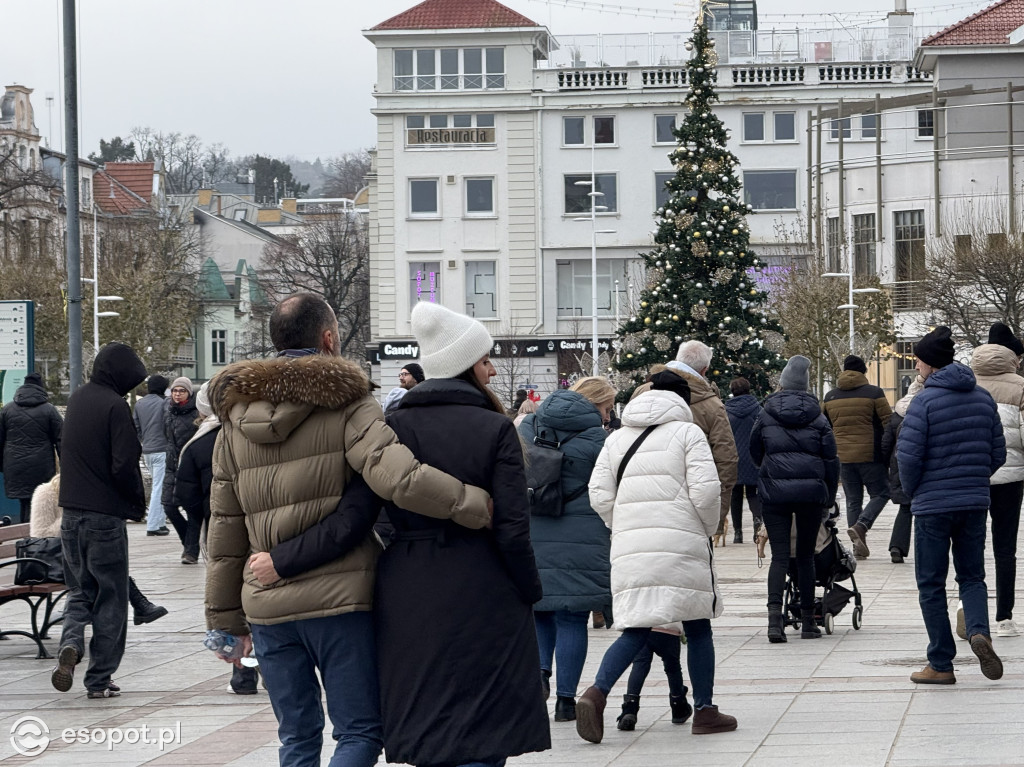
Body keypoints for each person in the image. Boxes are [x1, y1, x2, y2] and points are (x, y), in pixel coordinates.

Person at [205, 293, 493, 767]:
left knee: (296, 738)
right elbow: (400, 477)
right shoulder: (347, 404)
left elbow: (225, 531)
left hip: (266, 605)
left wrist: (224, 624)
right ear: (329, 339)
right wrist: (476, 503)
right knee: (358, 731)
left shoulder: (234, 421)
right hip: (339, 599)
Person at [576, 370, 735, 744]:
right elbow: (707, 491)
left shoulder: (617, 437)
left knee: (637, 625)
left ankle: (596, 693)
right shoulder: (688, 433)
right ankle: (705, 710)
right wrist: (706, 527)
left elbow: (598, 492)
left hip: (632, 542)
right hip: (682, 540)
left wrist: (625, 523)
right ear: (683, 400)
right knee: (697, 625)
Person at [898, 326, 1006, 685]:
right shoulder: (982, 398)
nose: (915, 367)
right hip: (974, 502)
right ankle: (979, 632)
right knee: (972, 576)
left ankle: (941, 663)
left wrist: (915, 492)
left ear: (929, 364)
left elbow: (908, 458)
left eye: (917, 361)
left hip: (932, 505)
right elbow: (998, 453)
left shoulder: (924, 402)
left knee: (931, 584)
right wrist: (974, 479)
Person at [50, 342, 148, 698]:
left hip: (70, 516)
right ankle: (99, 678)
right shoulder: (114, 407)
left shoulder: (76, 400)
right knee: (111, 598)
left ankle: (72, 643)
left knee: (79, 591)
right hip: (104, 518)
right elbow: (123, 465)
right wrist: (135, 503)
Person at [518, 376, 615, 723]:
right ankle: (565, 702)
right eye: (606, 408)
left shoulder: (529, 426)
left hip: (533, 526)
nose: (608, 416)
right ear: (595, 404)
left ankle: (541, 674)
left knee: (541, 609)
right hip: (582, 532)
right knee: (573, 616)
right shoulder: (597, 439)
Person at [175, 382, 258, 695]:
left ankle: (242, 675)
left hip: (221, 530)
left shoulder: (197, 445)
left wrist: (207, 517)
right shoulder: (251, 433)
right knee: (260, 595)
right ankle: (269, 664)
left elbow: (184, 493)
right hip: (261, 525)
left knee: (230, 597)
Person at [750, 355, 839, 644]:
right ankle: (808, 623)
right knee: (805, 555)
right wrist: (828, 492)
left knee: (779, 556)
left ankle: (774, 622)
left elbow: (754, 450)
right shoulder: (818, 416)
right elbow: (831, 459)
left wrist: (769, 468)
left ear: (782, 383)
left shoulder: (765, 414)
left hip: (774, 494)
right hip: (811, 495)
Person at [631, 340, 738, 544]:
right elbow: (726, 460)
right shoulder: (712, 405)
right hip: (689, 509)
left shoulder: (643, 392)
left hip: (640, 503)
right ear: (705, 369)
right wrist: (716, 515)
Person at [31, 474, 168, 627]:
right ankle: (140, 605)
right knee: (100, 567)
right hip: (51, 561)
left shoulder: (86, 493)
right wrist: (74, 520)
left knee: (105, 561)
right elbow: (41, 533)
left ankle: (138, 606)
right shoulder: (46, 492)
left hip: (78, 553)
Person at [969, 322, 1024, 638]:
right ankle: (1004, 618)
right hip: (1011, 478)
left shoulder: (966, 383)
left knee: (970, 545)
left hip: (972, 474)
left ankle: (970, 609)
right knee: (1005, 547)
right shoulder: (1020, 386)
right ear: (1013, 356)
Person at [822, 354, 892, 559]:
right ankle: (862, 525)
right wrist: (889, 450)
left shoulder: (830, 397)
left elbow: (824, 426)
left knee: (853, 500)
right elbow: (888, 422)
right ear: (863, 371)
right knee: (881, 493)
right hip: (871, 454)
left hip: (843, 456)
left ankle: (857, 546)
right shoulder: (874, 393)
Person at [0, 372, 62, 523]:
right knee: (39, 504)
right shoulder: (49, 410)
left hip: (15, 466)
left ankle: (23, 537)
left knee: (24, 502)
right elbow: (61, 439)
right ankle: (35, 540)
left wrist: (3, 466)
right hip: (41, 466)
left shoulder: (7, 410)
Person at [881, 376, 925, 564]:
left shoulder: (898, 412)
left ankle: (897, 547)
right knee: (927, 509)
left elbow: (886, 444)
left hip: (900, 464)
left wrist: (885, 466)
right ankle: (926, 551)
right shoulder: (929, 408)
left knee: (906, 509)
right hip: (926, 464)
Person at [162, 377, 200, 564]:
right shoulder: (168, 411)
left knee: (192, 509)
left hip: (191, 466)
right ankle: (189, 542)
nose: (177, 394)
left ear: (189, 393)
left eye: (181, 391)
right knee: (168, 505)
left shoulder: (196, 413)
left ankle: (191, 552)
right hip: (171, 465)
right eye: (175, 390)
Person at [725, 377, 762, 544]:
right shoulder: (758, 409)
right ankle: (757, 521)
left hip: (733, 457)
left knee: (736, 494)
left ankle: (738, 533)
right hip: (753, 457)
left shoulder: (725, 411)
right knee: (754, 492)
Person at [133, 374, 171, 536]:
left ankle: (160, 522)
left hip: (147, 449)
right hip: (162, 449)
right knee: (159, 487)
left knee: (159, 485)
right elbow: (169, 425)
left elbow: (136, 426)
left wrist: (144, 440)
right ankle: (153, 525)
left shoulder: (139, 404)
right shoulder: (164, 403)